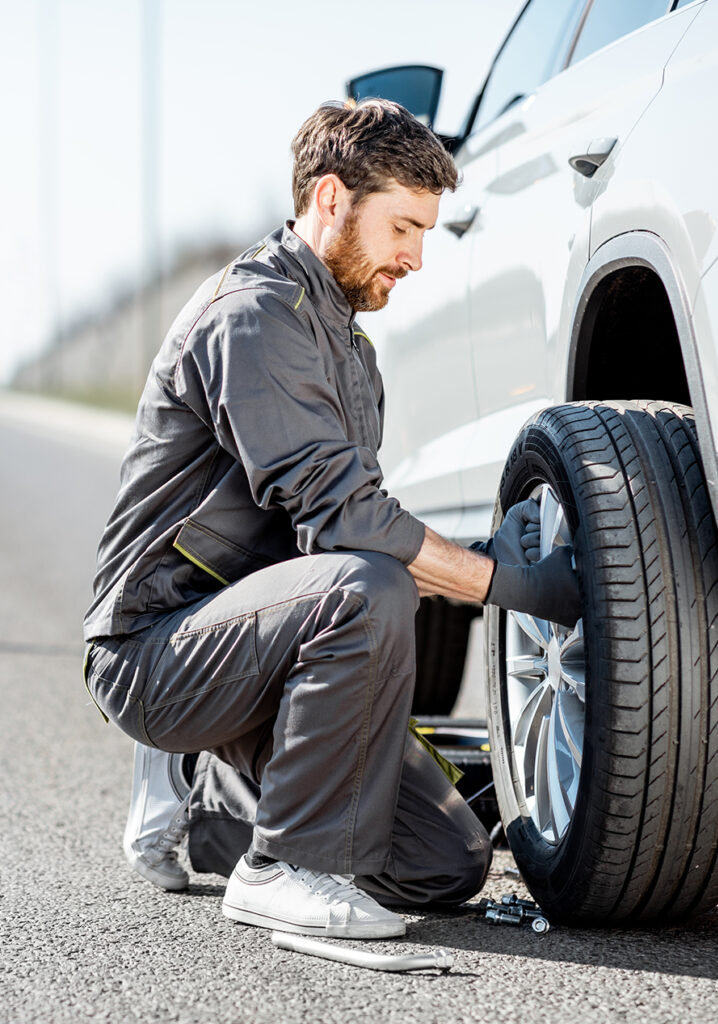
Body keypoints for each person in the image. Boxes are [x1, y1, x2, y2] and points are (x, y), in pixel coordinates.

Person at [83, 99, 578, 940]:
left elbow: (342, 526)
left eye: (425, 233)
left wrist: (473, 557)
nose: (417, 257)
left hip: (257, 641)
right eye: (402, 228)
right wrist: (506, 582)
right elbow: (348, 531)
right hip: (154, 646)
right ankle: (285, 868)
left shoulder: (350, 349)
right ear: (328, 199)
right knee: (365, 586)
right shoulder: (254, 316)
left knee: (442, 864)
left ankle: (215, 804)